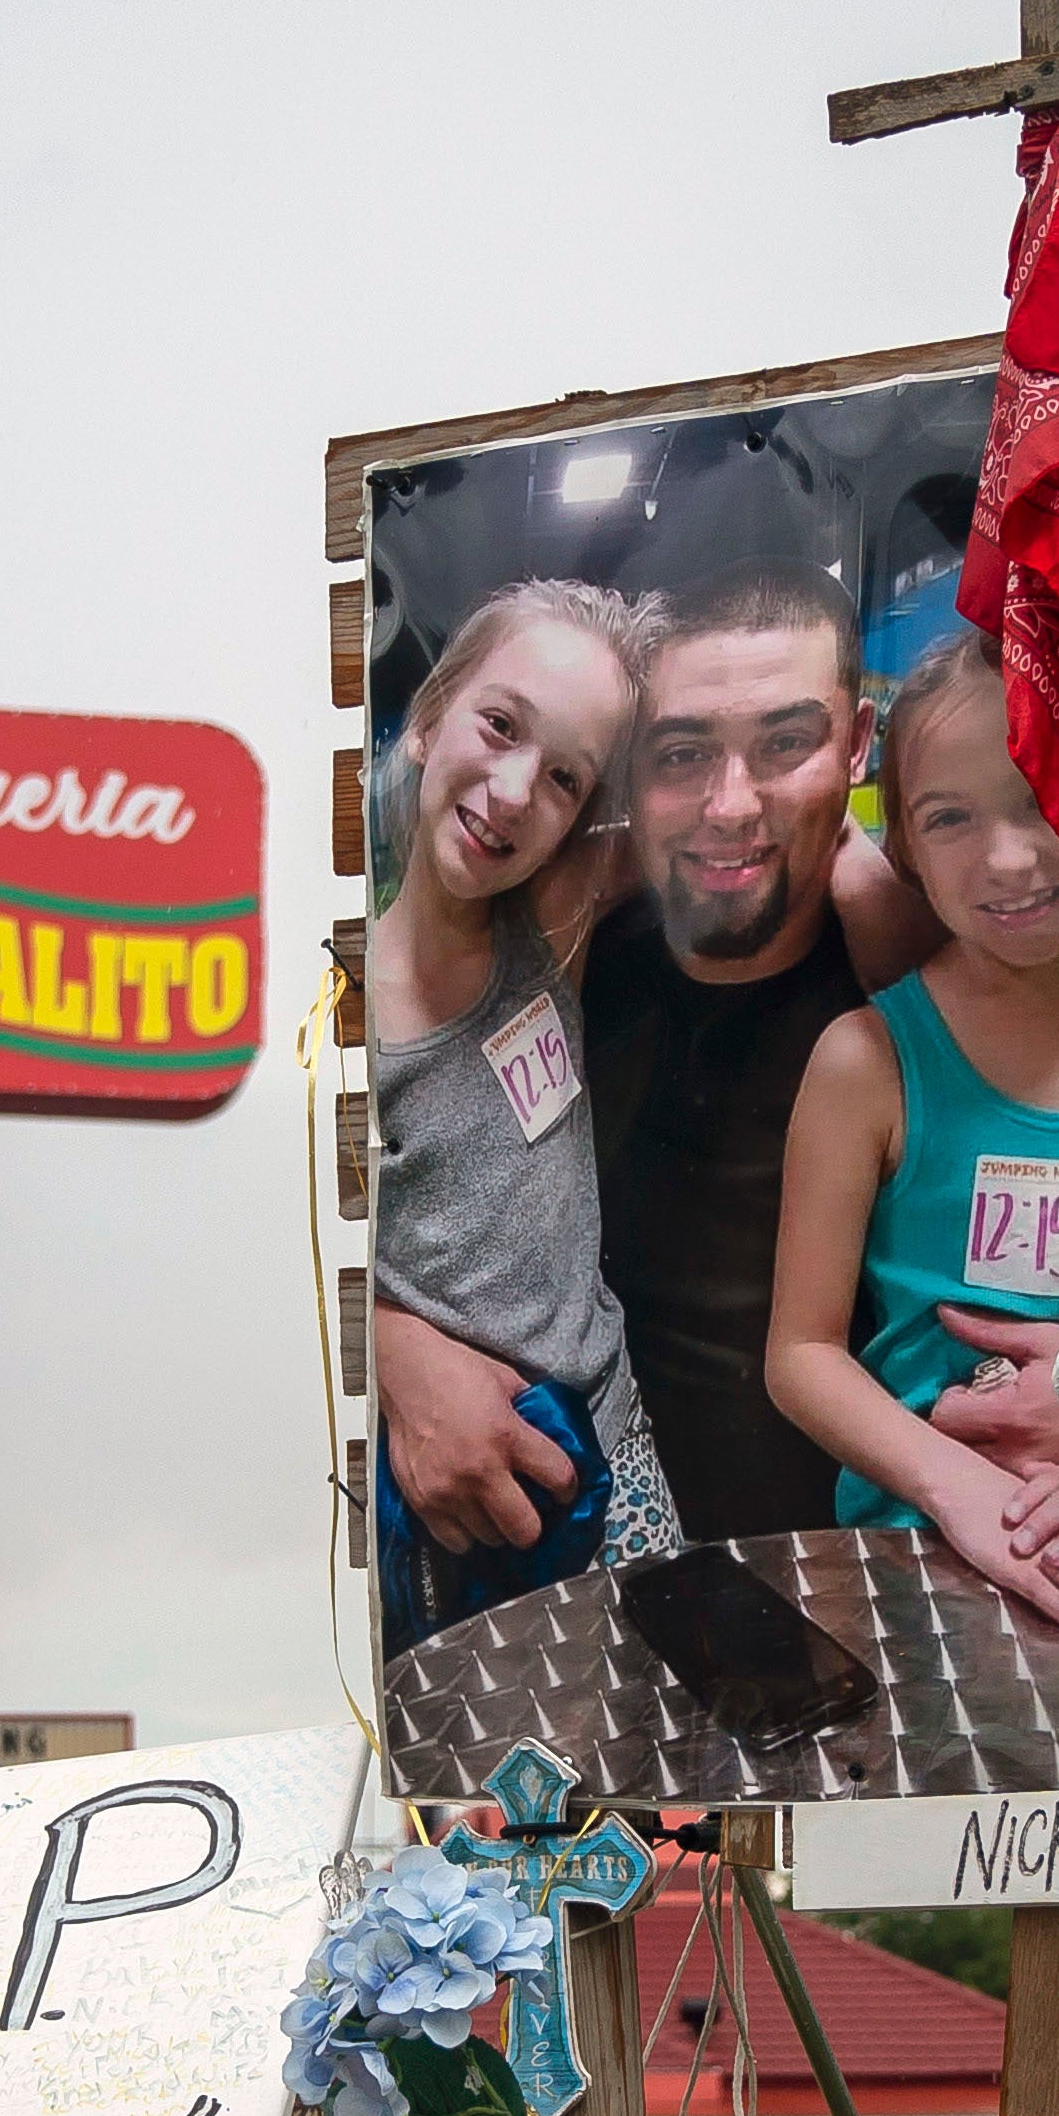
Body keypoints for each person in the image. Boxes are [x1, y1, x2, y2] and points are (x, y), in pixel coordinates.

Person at [369, 566, 1059, 1564]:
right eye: (682, 752)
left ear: (858, 748)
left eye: (787, 742)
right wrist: (394, 1349)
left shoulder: (933, 973)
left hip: (903, 1569)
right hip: (610, 1553)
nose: (731, 804)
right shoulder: (569, 945)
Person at [762, 638, 1059, 1626]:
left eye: (1048, 791)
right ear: (906, 848)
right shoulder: (867, 1063)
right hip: (914, 1580)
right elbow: (802, 1352)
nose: (1009, 859)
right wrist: (956, 1491)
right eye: (951, 818)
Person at [361, 580, 678, 1651]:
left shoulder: (551, 918)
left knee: (653, 1783)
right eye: (499, 725)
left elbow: (736, 814)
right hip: (459, 1509)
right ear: (425, 718)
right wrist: (390, 1347)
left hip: (618, 1442)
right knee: (488, 1798)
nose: (510, 791)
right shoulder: (343, 1021)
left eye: (562, 778)